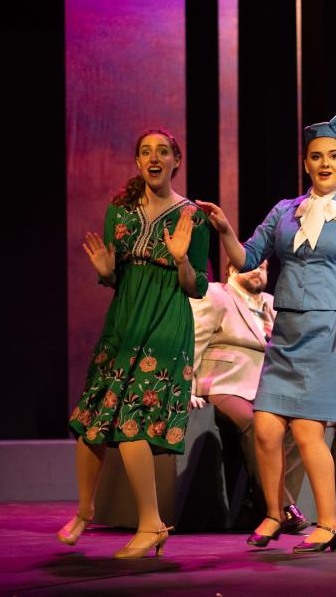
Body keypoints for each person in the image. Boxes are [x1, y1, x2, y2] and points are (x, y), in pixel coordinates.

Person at [197, 113, 336, 554]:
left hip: (328, 331)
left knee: (305, 430)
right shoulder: (285, 211)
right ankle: (273, 513)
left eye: (333, 156)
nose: (324, 163)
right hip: (287, 333)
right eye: (316, 156)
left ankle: (328, 523)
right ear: (305, 163)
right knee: (264, 426)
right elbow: (246, 259)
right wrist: (224, 230)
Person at [57, 129, 209, 559]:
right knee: (93, 417)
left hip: (165, 324)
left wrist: (180, 259)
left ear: (176, 161)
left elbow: (197, 284)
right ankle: (85, 511)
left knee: (132, 422)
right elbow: (117, 275)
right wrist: (107, 271)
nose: (153, 158)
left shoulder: (190, 216)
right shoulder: (120, 209)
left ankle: (151, 523)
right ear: (138, 163)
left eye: (163, 151)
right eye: (146, 152)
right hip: (123, 322)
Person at [189, 260, 309, 533]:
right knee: (255, 423)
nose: (258, 271)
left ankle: (258, 507)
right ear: (231, 269)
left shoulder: (272, 303)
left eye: (264, 267)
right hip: (225, 383)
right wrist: (188, 385)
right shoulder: (216, 294)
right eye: (252, 265)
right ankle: (280, 508)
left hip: (267, 387)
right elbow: (194, 340)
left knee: (301, 427)